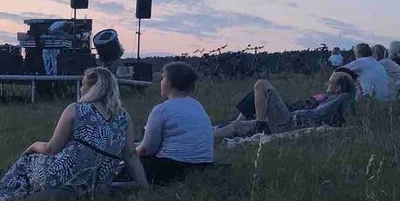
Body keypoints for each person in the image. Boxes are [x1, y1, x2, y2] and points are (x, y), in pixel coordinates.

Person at [0, 67, 148, 201]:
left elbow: (51, 148)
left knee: (27, 161)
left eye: (83, 84)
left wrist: (33, 146)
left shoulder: (76, 109)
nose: (81, 88)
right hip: (99, 185)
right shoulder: (124, 118)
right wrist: (144, 188)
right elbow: (131, 156)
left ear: (92, 87)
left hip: (64, 177)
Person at [135, 62, 213, 184]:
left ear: (169, 83)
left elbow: (147, 150)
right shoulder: (197, 106)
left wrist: (128, 155)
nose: (161, 82)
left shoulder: (161, 110)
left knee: (130, 164)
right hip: (203, 166)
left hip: (172, 168)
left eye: (163, 78)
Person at [213, 76, 354, 139]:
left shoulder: (341, 98)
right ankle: (206, 134)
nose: (326, 84)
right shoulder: (328, 97)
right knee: (237, 126)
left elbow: (349, 106)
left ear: (339, 87)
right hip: (290, 117)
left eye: (330, 83)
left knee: (261, 84)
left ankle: (260, 124)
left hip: (290, 121)